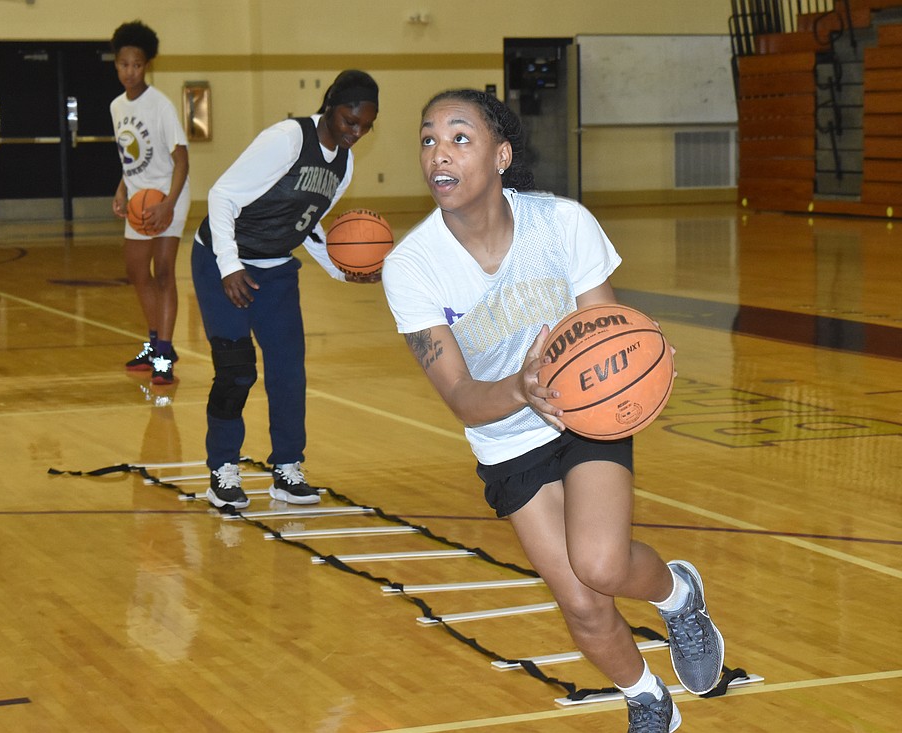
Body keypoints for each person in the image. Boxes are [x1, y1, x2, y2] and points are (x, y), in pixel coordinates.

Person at [381, 89, 724, 733]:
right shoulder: (412, 268)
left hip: (583, 413)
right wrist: (521, 388)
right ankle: (646, 696)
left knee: (601, 564)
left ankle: (679, 597)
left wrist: (640, 359)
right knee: (585, 605)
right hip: (504, 433)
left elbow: (606, 324)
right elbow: (460, 396)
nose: (438, 153)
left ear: (502, 155)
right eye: (427, 139)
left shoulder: (562, 223)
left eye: (459, 137)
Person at [191, 70, 379, 509]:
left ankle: (287, 470)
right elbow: (221, 197)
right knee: (236, 371)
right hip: (223, 262)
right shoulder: (287, 139)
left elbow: (307, 225)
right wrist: (229, 266)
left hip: (275, 271)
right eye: (350, 121)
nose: (356, 133)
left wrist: (341, 270)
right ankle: (222, 469)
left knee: (289, 372)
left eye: (366, 126)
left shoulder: (344, 165)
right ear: (330, 106)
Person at [110, 20, 190, 385]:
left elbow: (182, 159)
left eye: (137, 65)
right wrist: (122, 189)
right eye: (124, 64)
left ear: (147, 66)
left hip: (167, 195)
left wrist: (169, 204)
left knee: (163, 272)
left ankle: (164, 360)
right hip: (139, 197)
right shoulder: (116, 107)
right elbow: (131, 158)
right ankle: (156, 342)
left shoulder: (161, 106)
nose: (130, 71)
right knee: (137, 273)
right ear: (116, 65)